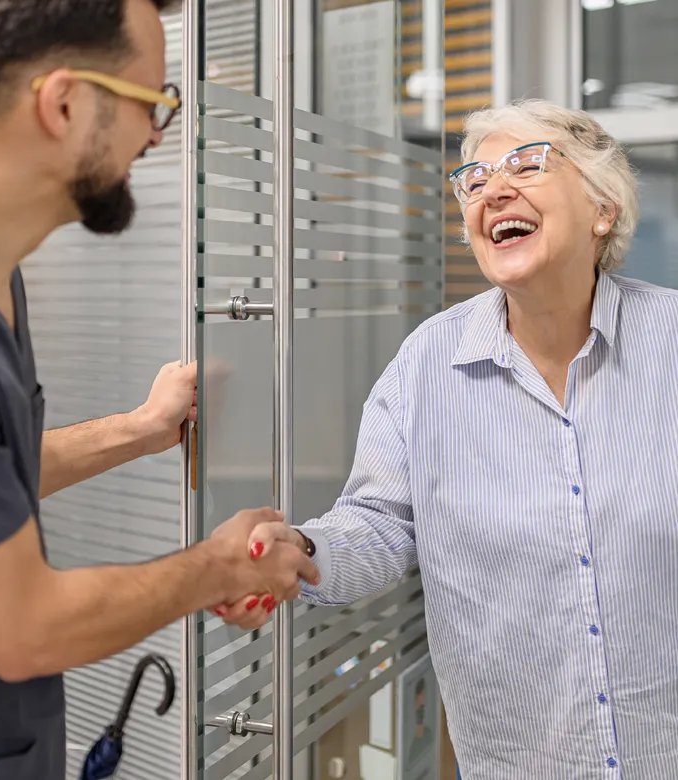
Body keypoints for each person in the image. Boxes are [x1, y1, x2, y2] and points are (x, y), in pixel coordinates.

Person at [0, 1, 319, 778]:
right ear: (63, 103)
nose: (156, 137)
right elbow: (25, 626)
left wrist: (142, 429)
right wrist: (219, 567)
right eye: (153, 104)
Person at [219, 100, 678, 779]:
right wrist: (302, 552)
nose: (494, 189)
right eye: (475, 178)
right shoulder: (426, 364)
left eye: (526, 164)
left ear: (602, 209)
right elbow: (377, 525)